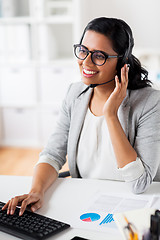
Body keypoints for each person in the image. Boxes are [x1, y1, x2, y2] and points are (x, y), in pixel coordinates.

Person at [3, 17, 160, 216]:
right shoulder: (75, 94)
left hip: (133, 207)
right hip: (86, 200)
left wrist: (111, 115)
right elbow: (53, 153)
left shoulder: (150, 102)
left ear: (122, 61)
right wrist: (36, 191)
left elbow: (140, 184)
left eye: (99, 56)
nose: (86, 62)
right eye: (83, 50)